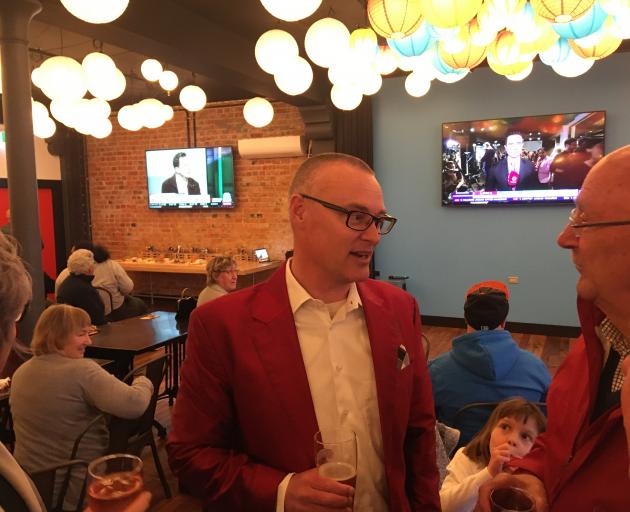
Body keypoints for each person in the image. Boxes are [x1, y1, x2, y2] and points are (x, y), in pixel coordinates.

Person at [167, 153, 440, 511]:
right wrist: (280, 491)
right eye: (357, 217)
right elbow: (191, 453)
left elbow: (419, 434)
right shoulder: (222, 325)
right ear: (300, 211)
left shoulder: (401, 309)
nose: (374, 236)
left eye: (379, 220)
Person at [475, 145, 630, 511]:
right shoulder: (595, 339)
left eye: (584, 220)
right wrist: (533, 475)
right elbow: (560, 443)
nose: (564, 238)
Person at [10, 304, 153, 510]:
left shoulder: (21, 373)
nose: (89, 340)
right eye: (81, 334)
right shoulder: (82, 370)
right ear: (57, 336)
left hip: (29, 489)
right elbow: (135, 404)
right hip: (78, 489)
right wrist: (143, 380)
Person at [429, 281, 550, 446]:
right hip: (516, 462)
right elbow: (546, 420)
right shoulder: (537, 369)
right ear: (504, 320)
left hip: (458, 462)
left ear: (465, 318)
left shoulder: (435, 372)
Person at [440, 398, 546, 512]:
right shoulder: (467, 457)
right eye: (505, 427)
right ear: (491, 430)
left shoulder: (535, 477)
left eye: (525, 436)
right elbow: (445, 507)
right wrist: (488, 473)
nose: (512, 439)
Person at [56, 249, 106, 325]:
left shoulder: (68, 281)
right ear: (89, 269)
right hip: (82, 329)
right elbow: (97, 318)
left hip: (68, 326)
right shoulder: (84, 289)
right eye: (94, 264)